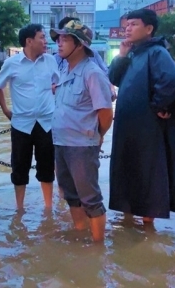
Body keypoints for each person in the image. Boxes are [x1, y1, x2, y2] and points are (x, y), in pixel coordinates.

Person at [108, 9, 175, 225]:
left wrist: (159, 105)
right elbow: (113, 78)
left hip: (147, 128)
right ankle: (127, 223)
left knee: (146, 172)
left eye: (134, 24)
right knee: (126, 169)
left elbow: (174, 82)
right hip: (127, 128)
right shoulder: (133, 53)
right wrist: (122, 55)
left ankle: (148, 228)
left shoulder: (156, 53)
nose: (128, 28)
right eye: (127, 25)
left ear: (149, 28)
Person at [50, 20, 114, 242]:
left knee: (90, 199)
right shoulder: (65, 70)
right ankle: (80, 235)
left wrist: (98, 136)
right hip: (61, 143)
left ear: (79, 45)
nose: (59, 43)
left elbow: (106, 114)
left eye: (65, 39)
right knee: (71, 196)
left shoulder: (92, 73)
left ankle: (97, 249)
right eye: (58, 39)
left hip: (82, 146)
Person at [0, 24, 59, 211]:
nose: (45, 41)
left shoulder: (50, 61)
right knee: (19, 167)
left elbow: (59, 83)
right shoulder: (11, 63)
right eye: (42, 37)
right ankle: (19, 208)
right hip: (21, 124)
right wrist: (6, 110)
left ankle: (48, 208)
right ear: (29, 41)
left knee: (47, 167)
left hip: (47, 123)